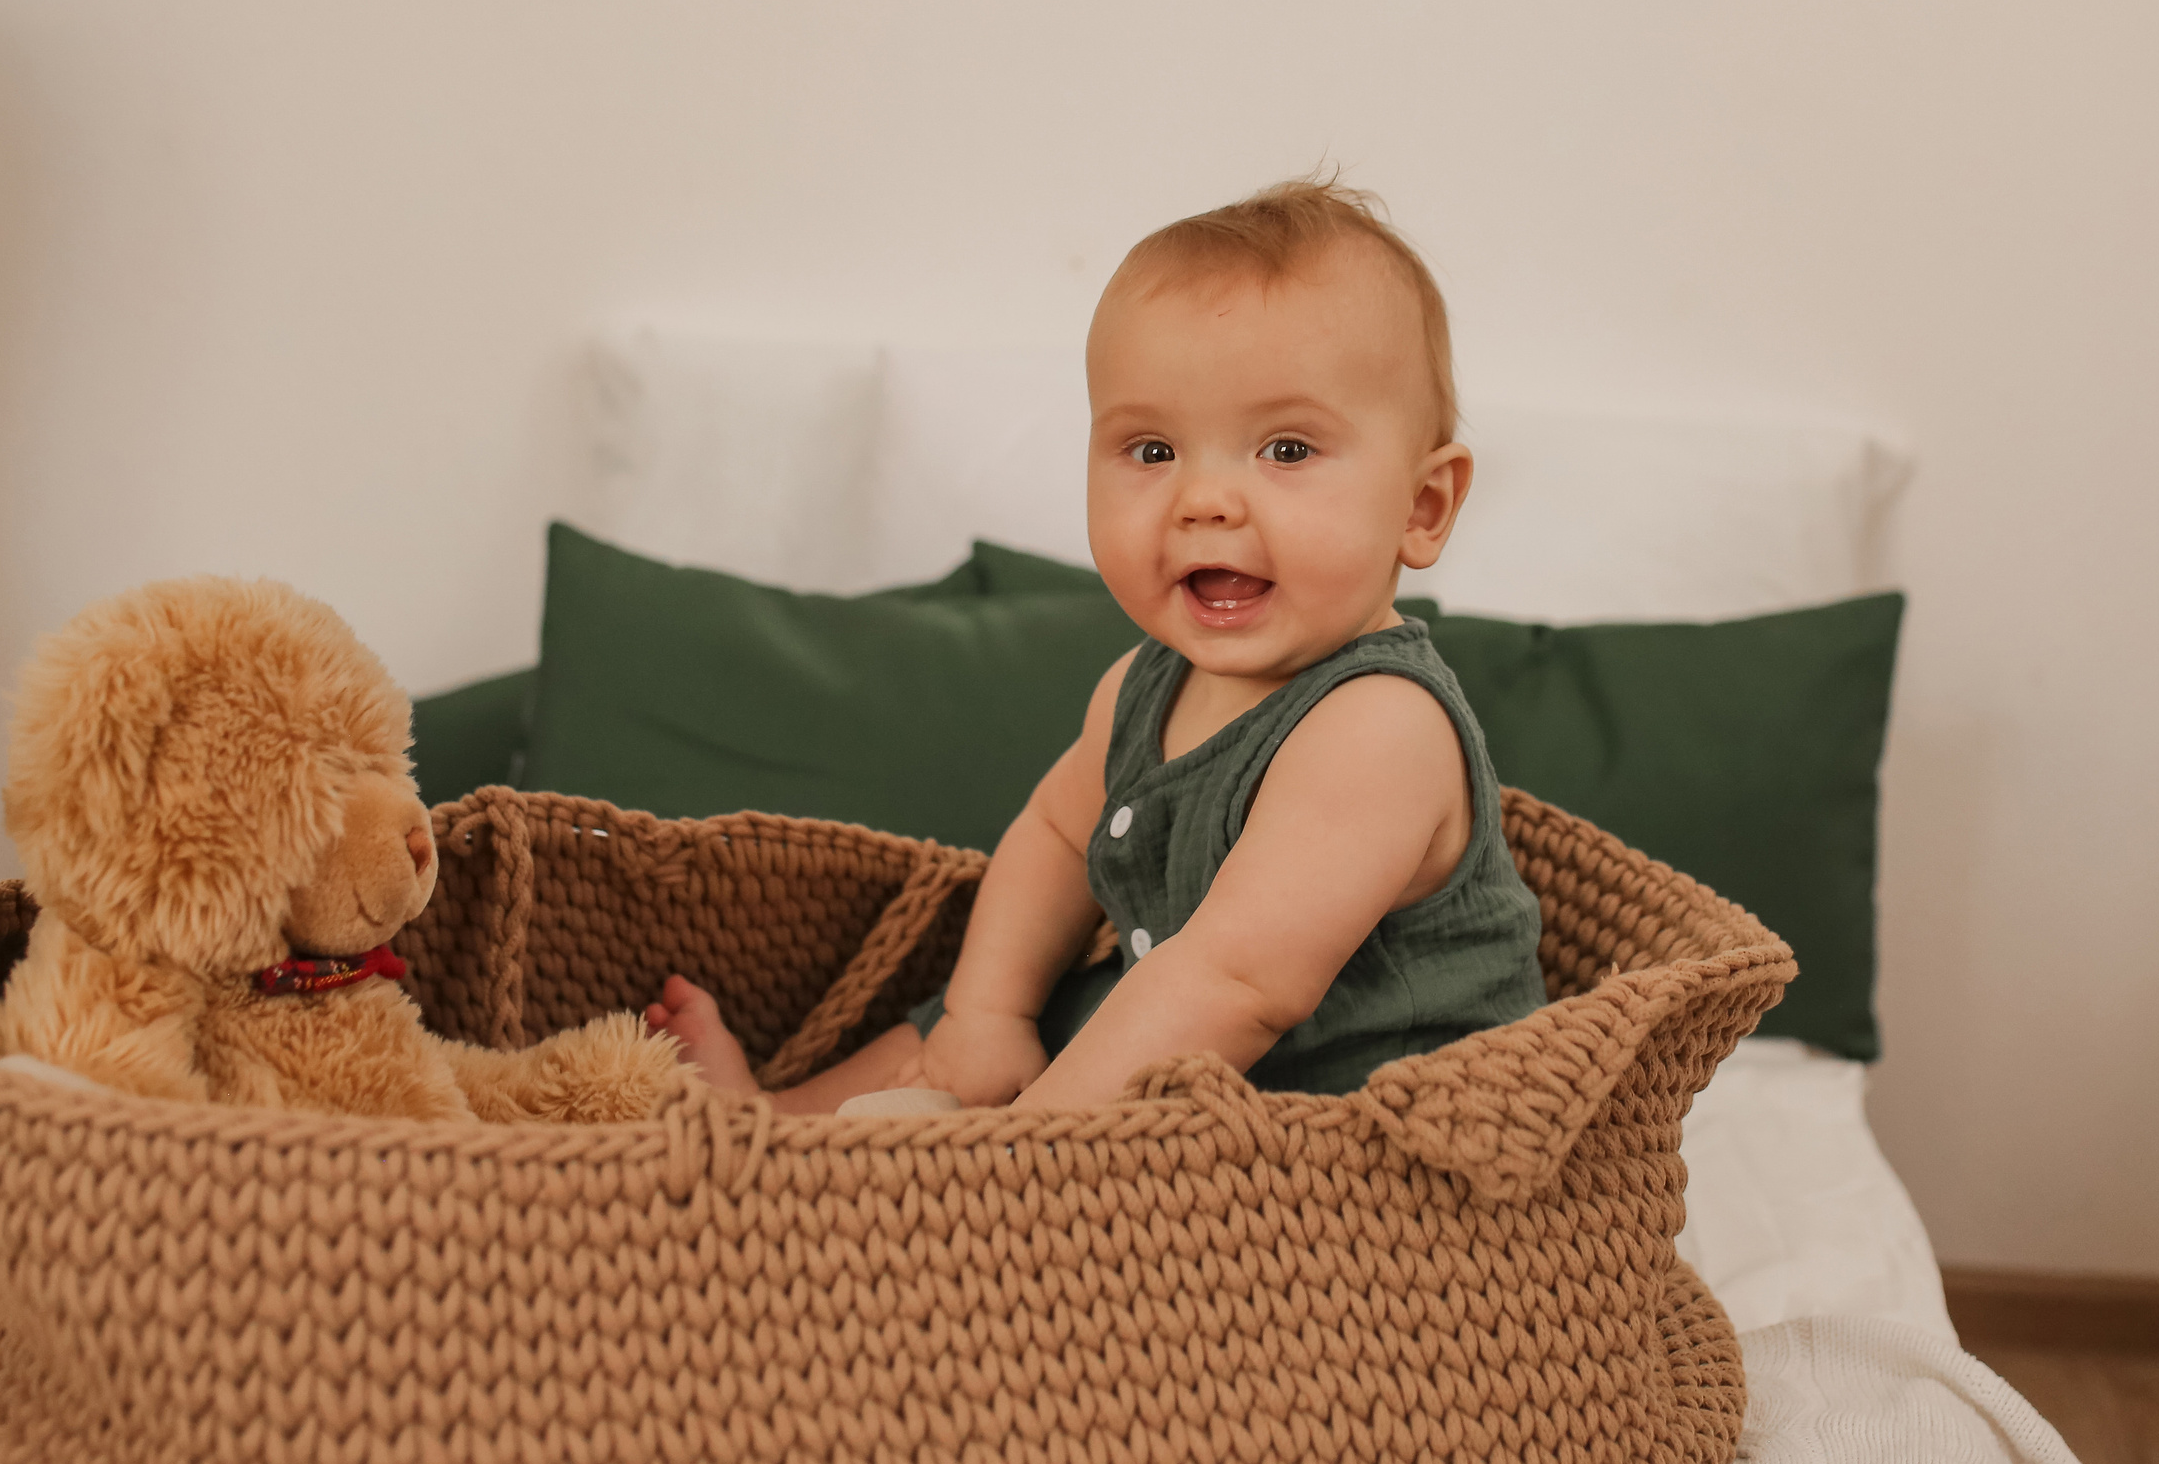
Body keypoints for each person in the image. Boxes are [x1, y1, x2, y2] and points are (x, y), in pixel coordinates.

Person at [648, 178, 1548, 1112]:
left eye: (1285, 450)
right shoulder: (1142, 686)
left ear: (1423, 505)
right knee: (964, 1028)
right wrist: (986, 1012)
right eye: (1152, 450)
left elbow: (1235, 984)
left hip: (1360, 1127)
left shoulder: (1380, 726)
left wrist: (1026, 1154)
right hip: (1168, 1044)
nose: (1203, 499)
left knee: (1097, 1038)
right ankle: (776, 1124)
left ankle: (865, 1171)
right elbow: (1051, 834)